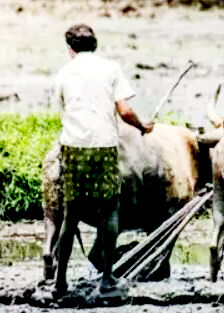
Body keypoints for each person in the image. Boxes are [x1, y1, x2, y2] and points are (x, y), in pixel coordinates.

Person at [52, 24, 153, 297]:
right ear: (95, 45)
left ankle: (59, 282)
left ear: (70, 48)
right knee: (110, 210)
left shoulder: (63, 73)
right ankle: (107, 278)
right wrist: (142, 126)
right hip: (104, 146)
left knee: (70, 215)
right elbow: (124, 110)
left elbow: (63, 110)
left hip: (73, 147)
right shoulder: (111, 69)